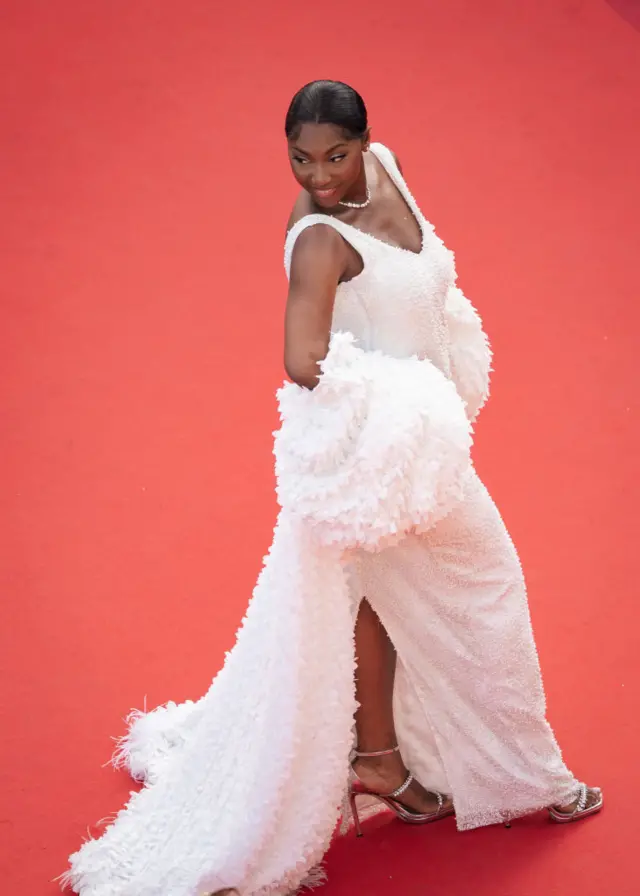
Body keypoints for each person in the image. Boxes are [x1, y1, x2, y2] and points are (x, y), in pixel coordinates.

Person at [62, 80, 601, 896]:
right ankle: (534, 779)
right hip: (392, 459)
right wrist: (399, 411)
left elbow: (423, 288)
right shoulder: (319, 243)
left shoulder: (387, 167)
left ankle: (383, 763)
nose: (318, 173)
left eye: (335, 155)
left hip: (421, 453)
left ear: (366, 142)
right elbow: (301, 359)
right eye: (301, 158)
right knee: (488, 591)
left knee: (375, 600)